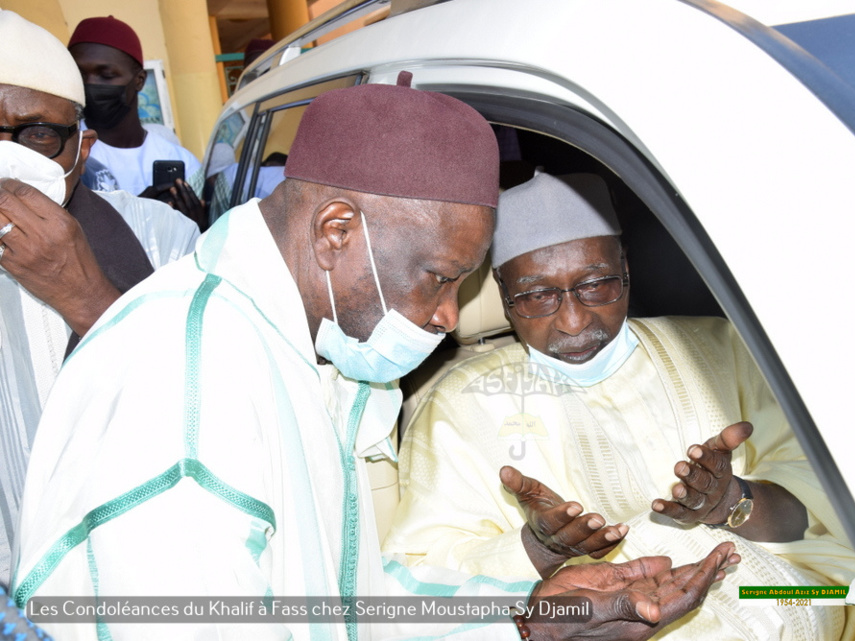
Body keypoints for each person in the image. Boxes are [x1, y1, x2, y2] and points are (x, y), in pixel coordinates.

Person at [12, 74, 739, 640]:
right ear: (335, 230)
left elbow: (346, 608)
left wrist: (533, 616)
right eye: (442, 278)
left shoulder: (300, 350)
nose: (451, 315)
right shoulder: (187, 384)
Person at [384, 172, 855, 640]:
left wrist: (734, 502)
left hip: (815, 605)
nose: (574, 321)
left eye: (595, 284)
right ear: (504, 297)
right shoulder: (457, 407)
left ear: (625, 268)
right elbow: (418, 584)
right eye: (537, 296)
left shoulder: (722, 349)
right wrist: (539, 550)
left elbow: (833, 513)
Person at [0, 10, 199, 586]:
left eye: (37, 132)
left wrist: (85, 296)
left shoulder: (164, 237)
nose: (9, 156)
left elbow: (211, 402)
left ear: (81, 148)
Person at [67, 15, 205, 227]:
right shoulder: (65, 155)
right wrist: (136, 215)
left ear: (139, 80)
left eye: (106, 75)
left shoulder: (182, 161)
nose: (90, 84)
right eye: (79, 74)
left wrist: (197, 227)